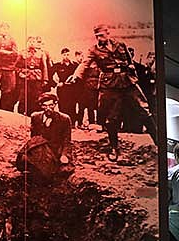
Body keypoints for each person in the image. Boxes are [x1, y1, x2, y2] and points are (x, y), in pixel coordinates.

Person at [67, 24, 156, 161]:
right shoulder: (94, 50)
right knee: (111, 117)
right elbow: (84, 64)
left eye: (102, 35)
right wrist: (75, 76)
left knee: (144, 109)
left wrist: (133, 76)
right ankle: (114, 148)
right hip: (110, 85)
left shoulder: (120, 44)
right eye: (97, 36)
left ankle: (159, 142)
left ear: (108, 33)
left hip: (127, 82)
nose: (99, 38)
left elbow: (130, 61)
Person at [30, 93, 72, 165]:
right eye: (45, 106)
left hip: (56, 151)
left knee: (63, 169)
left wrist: (64, 155)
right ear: (41, 105)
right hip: (40, 150)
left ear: (55, 104)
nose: (48, 108)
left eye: (51, 105)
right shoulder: (35, 117)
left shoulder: (64, 119)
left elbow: (67, 141)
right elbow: (33, 138)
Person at [50, 48, 79, 127]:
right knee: (62, 106)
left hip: (72, 89)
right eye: (64, 55)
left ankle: (72, 124)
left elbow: (80, 75)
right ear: (61, 55)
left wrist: (75, 81)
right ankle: (63, 124)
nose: (66, 56)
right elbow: (50, 74)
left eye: (68, 55)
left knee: (72, 105)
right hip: (62, 89)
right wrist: (56, 83)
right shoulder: (58, 65)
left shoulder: (75, 65)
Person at [0, 22, 19, 112]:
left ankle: (5, 110)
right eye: (2, 28)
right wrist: (6, 53)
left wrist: (3, 53)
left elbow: (15, 54)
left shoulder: (12, 40)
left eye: (6, 29)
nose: (4, 30)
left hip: (9, 68)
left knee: (9, 90)